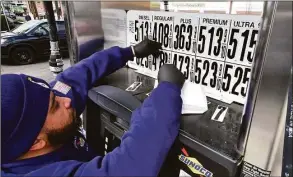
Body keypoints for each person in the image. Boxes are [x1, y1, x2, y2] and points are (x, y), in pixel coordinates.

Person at [1, 39, 185, 176]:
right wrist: (167, 90)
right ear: (36, 143)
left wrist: (130, 52)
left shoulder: (35, 121)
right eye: (54, 106)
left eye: (53, 95)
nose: (66, 101)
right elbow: (126, 168)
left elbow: (72, 79)